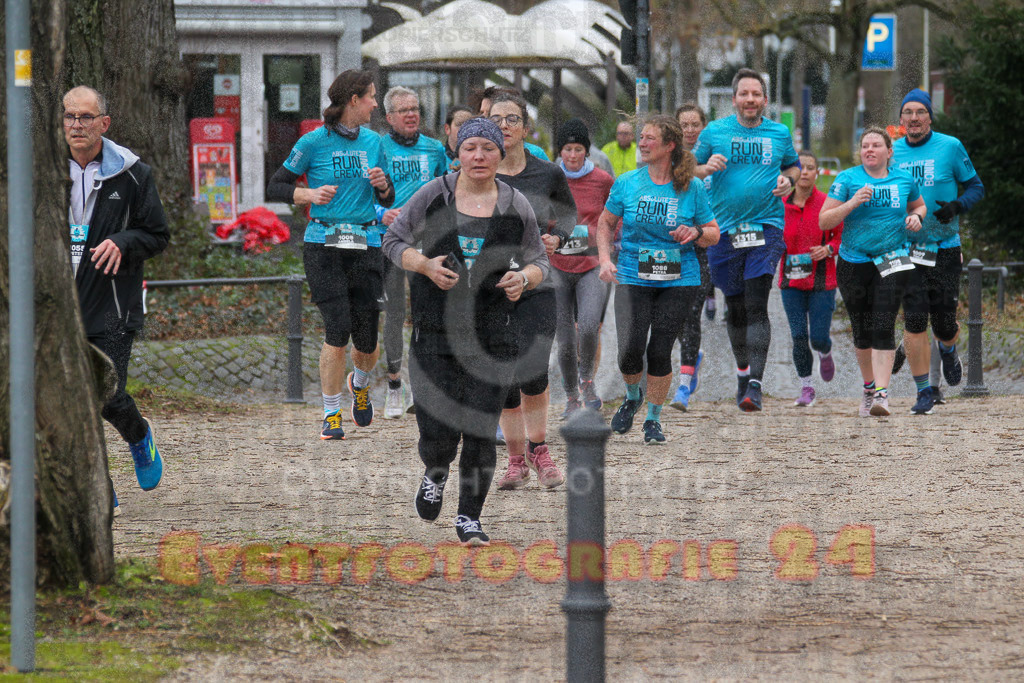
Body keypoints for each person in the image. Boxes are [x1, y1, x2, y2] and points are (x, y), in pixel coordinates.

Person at [381, 118, 549, 546]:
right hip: (435, 333)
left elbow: (538, 260)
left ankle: (469, 517)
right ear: (457, 152)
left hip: (494, 335)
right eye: (470, 147)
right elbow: (393, 241)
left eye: (487, 149)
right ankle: (435, 472)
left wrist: (524, 279)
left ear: (501, 154)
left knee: (479, 429)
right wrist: (424, 265)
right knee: (438, 432)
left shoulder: (516, 205)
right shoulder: (432, 195)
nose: (479, 156)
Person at [267, 70, 395, 439]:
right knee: (337, 328)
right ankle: (330, 414)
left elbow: (387, 198)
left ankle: (360, 384)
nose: (375, 103)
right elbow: (277, 185)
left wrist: (383, 186)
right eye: (371, 96)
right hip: (323, 243)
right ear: (353, 100)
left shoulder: (376, 142)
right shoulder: (312, 142)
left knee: (367, 339)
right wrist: (308, 195)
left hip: (367, 244)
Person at [64, 85, 170, 515]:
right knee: (71, 399)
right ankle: (99, 488)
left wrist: (123, 242)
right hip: (57, 304)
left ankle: (139, 436)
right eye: (70, 116)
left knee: (105, 394)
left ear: (103, 124)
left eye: (86, 117)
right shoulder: (42, 170)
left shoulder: (132, 174)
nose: (76, 125)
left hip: (111, 306)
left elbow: (158, 235)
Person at [597, 115, 720, 444]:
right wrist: (606, 259)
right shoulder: (626, 182)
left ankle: (653, 418)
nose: (642, 143)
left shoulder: (690, 186)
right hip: (633, 275)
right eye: (642, 138)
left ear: (670, 146)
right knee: (630, 350)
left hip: (678, 278)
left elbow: (713, 234)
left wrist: (694, 232)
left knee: (660, 349)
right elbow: (606, 224)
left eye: (650, 138)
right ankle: (632, 395)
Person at [693, 68, 801, 412]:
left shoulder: (779, 133)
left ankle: (756, 383)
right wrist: (705, 168)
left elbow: (794, 167)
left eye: (756, 94)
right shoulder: (714, 132)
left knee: (757, 304)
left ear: (765, 100)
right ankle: (743, 372)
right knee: (735, 309)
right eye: (744, 94)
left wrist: (788, 180)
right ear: (735, 98)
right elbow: (686, 170)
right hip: (723, 231)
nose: (750, 100)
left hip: (766, 227)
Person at [487, 90, 576, 491]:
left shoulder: (547, 173)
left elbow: (570, 217)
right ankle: (515, 460)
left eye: (510, 119)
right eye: (495, 119)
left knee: (534, 371)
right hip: (490, 288)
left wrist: (559, 238)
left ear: (525, 128)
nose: (503, 126)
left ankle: (541, 452)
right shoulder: (473, 171)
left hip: (538, 283)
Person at [819, 126, 926, 417]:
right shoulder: (847, 179)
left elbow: (919, 206)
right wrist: (853, 202)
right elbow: (824, 221)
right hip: (854, 262)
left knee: (883, 323)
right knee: (862, 329)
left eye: (876, 145)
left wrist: (915, 218)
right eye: (865, 145)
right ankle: (868, 387)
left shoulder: (904, 179)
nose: (869, 150)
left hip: (893, 258)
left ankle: (882, 394)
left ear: (889, 152)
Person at [891, 88, 985, 414]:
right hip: (905, 248)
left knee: (944, 321)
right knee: (915, 318)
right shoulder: (892, 153)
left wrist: (958, 205)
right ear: (901, 119)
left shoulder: (950, 146)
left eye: (920, 112)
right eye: (908, 112)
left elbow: (976, 187)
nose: (914, 118)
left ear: (930, 116)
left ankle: (948, 348)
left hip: (944, 246)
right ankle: (924, 393)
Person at [377, 86, 449, 418]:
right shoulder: (378, 147)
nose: (411, 115)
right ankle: (394, 386)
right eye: (403, 110)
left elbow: (447, 193)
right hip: (390, 241)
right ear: (389, 117)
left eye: (415, 108)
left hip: (427, 243)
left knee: (427, 314)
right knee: (393, 314)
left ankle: (425, 386)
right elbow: (363, 195)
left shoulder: (435, 149)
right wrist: (381, 214)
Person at [550, 119, 614, 418]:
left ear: (587, 152)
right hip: (557, 265)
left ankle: (587, 379)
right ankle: (571, 397)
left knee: (588, 326)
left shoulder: (602, 180)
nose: (573, 156)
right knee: (564, 339)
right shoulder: (549, 179)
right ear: (559, 151)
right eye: (567, 149)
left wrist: (613, 250)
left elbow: (614, 216)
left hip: (590, 263)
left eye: (578, 149)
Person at [779, 151, 842, 407]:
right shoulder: (780, 205)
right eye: (800, 168)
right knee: (798, 337)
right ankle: (806, 387)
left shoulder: (828, 204)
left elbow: (841, 237)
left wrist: (828, 250)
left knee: (817, 337)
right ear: (791, 173)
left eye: (810, 167)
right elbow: (772, 236)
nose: (804, 172)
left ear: (818, 173)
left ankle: (825, 351)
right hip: (790, 282)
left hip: (822, 282)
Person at [669, 103, 711, 411]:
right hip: (668, 244)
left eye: (695, 124)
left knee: (692, 311)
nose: (689, 130)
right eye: (684, 124)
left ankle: (683, 387)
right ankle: (690, 353)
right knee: (675, 317)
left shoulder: (713, 151)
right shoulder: (665, 158)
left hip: (702, 239)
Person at [470, 86, 550, 160]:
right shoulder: (475, 154)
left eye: (490, 114)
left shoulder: (535, 154)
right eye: (481, 113)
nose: (484, 119)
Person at [442, 105, 474, 172]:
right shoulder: (437, 156)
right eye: (459, 124)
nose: (465, 129)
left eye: (469, 125)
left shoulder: (478, 158)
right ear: (447, 129)